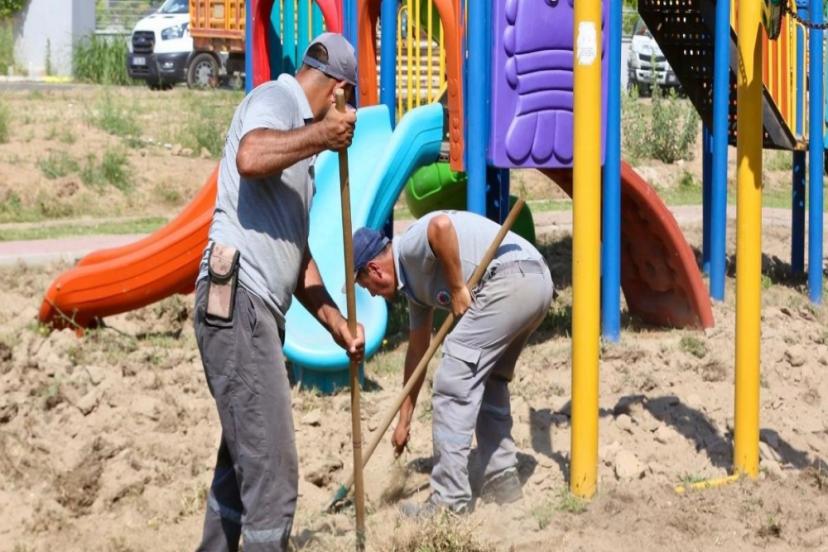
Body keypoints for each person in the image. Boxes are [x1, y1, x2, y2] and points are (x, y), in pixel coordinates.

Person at [193, 33, 364, 552]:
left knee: (239, 472)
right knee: (273, 477)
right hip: (239, 298)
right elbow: (249, 155)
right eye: (349, 100)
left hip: (255, 308)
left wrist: (337, 323)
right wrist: (322, 137)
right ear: (337, 90)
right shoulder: (278, 98)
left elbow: (298, 254)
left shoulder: (300, 150)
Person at [351, 210, 554, 516]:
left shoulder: (409, 247)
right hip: (536, 282)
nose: (372, 293)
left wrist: (458, 287)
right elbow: (417, 352)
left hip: (511, 278)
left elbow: (440, 226)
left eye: (367, 286)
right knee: (489, 377)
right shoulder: (415, 292)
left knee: (452, 379)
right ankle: (502, 480)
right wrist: (404, 420)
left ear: (375, 270)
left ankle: (448, 501)